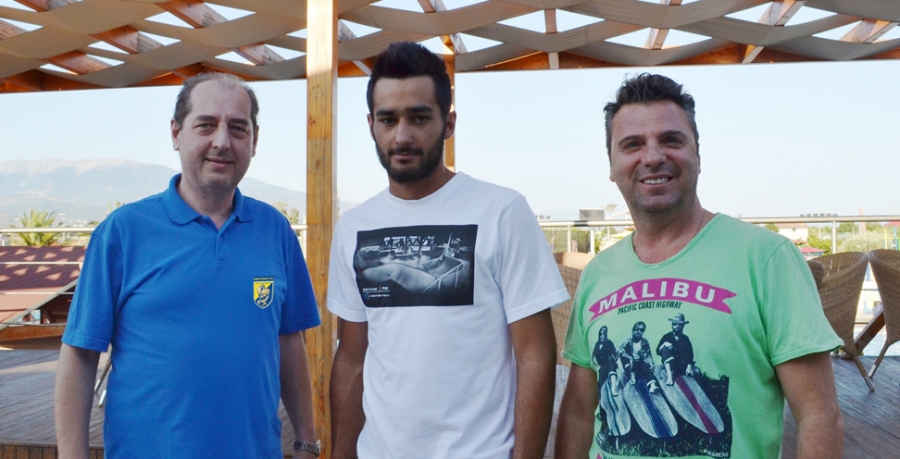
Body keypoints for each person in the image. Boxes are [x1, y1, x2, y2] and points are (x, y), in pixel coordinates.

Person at [556, 73, 843, 459]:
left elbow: (818, 414)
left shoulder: (766, 258)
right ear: (612, 165)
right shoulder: (598, 273)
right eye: (632, 144)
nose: (652, 157)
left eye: (671, 140)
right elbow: (577, 414)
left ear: (698, 156)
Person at [54, 72, 322, 459]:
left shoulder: (275, 230)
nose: (222, 141)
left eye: (238, 128)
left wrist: (307, 440)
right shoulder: (123, 232)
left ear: (254, 141)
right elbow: (80, 354)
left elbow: (288, 340)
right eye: (206, 125)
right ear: (176, 133)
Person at [327, 41, 569, 459]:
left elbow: (535, 354)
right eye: (388, 119)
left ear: (448, 123)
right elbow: (351, 357)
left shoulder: (501, 211)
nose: (402, 135)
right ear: (371, 125)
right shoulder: (353, 227)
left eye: (419, 117)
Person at [617, 321, 658, 393]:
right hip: (629, 363)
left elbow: (648, 356)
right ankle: (631, 374)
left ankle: (652, 386)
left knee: (646, 366)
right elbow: (618, 349)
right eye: (637, 329)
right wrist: (630, 358)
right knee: (622, 354)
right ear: (633, 330)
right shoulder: (628, 340)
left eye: (641, 330)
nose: (638, 331)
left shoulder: (644, 342)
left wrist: (651, 366)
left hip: (639, 363)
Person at [657, 313, 695, 385]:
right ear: (672, 325)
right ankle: (669, 377)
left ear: (683, 326)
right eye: (675, 324)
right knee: (665, 347)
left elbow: (690, 355)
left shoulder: (685, 339)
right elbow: (658, 351)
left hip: (682, 365)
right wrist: (664, 344)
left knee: (697, 372)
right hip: (670, 365)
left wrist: (689, 366)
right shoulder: (667, 336)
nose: (677, 326)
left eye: (679, 324)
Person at [591, 325, 619, 396]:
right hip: (602, 365)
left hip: (609, 362)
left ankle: (613, 389)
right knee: (601, 382)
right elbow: (592, 358)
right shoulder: (597, 345)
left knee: (611, 370)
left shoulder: (609, 342)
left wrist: (615, 361)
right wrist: (597, 366)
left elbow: (615, 353)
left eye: (604, 333)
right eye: (600, 334)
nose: (602, 335)